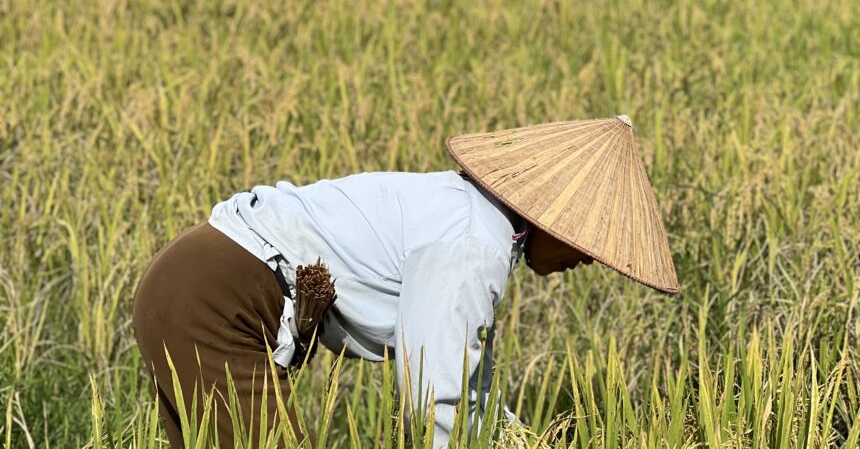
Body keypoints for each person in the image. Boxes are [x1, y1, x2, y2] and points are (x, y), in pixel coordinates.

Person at [132, 116, 679, 448]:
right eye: (587, 245)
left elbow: (465, 382)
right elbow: (433, 393)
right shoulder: (473, 244)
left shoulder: (476, 223)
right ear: (551, 219)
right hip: (214, 299)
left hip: (194, 279)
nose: (586, 262)